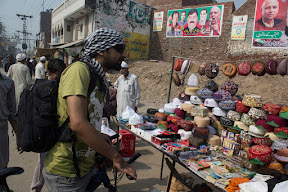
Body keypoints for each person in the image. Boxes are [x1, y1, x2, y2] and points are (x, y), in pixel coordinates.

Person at [42, 28, 136, 192]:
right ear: (101, 50)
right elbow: (78, 124)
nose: (124, 54)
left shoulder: (97, 77)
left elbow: (87, 119)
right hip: (66, 172)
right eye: (119, 49)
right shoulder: (80, 70)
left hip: (84, 168)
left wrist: (98, 136)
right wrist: (117, 159)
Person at [30, 58, 66, 192]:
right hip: (45, 133)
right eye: (58, 74)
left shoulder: (60, 87)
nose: (60, 77)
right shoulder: (43, 90)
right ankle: (35, 188)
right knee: (43, 163)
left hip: (57, 132)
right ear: (49, 73)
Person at [0, 69, 18, 170]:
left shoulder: (7, 82)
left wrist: (18, 135)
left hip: (1, 131)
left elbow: (12, 112)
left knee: (2, 167)